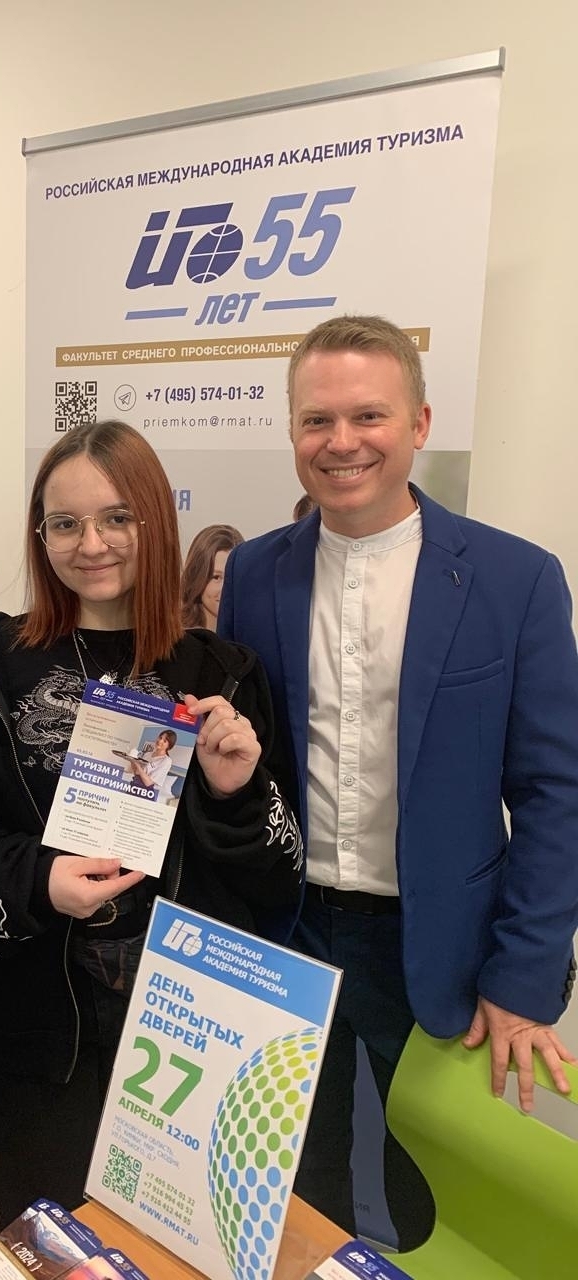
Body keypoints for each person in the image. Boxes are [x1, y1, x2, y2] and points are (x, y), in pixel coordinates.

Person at [219, 314, 578, 1248]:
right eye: (317, 420)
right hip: (291, 934)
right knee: (296, 1177)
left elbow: (557, 792)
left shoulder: (515, 579)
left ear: (418, 423)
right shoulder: (254, 573)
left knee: (431, 1194)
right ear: (292, 430)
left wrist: (526, 974)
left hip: (441, 949)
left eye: (367, 415)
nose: (341, 442)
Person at [0, 419, 303, 1226]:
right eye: (65, 523)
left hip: (190, 1028)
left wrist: (236, 790)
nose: (91, 544)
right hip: (39, 1022)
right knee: (52, 1235)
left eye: (117, 517)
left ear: (155, 521)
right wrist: (39, 880)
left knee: (186, 1237)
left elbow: (280, 876)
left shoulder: (221, 672)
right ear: (40, 535)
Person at [179, 522, 244, 629]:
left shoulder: (253, 633)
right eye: (216, 577)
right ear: (197, 577)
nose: (225, 588)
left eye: (232, 576)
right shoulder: (176, 637)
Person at [122, 727, 175, 800]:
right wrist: (131, 760)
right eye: (160, 737)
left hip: (145, 793)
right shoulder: (148, 754)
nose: (160, 741)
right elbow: (136, 772)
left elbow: (148, 783)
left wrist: (137, 764)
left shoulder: (166, 761)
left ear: (169, 746)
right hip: (133, 787)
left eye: (164, 741)